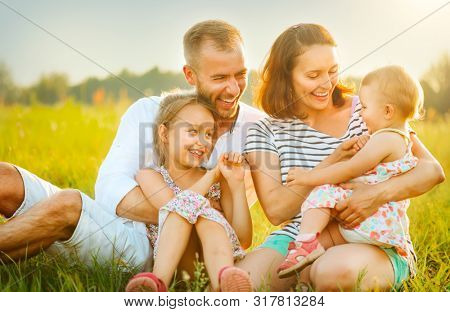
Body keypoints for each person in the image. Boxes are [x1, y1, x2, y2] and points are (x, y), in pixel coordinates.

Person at [0, 20, 264, 270]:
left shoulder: (261, 129)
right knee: (5, 177)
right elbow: (111, 191)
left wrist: (186, 216)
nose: (233, 89)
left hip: (149, 251)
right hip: (117, 225)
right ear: (190, 75)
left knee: (69, 203)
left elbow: (247, 229)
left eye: (240, 74)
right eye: (219, 78)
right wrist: (198, 212)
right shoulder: (149, 111)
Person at [238, 23, 445, 291]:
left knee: (332, 272)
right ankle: (306, 273)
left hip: (369, 237)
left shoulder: (369, 108)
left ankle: (319, 277)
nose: (327, 84)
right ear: (285, 76)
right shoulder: (263, 131)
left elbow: (431, 170)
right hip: (301, 239)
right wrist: (333, 160)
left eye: (333, 71)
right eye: (313, 75)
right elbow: (278, 210)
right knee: (241, 284)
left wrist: (377, 194)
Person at [277, 65, 424, 282]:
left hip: (372, 222)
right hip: (374, 224)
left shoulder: (386, 139)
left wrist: (308, 177)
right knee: (308, 271)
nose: (360, 113)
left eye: (364, 107)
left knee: (323, 191)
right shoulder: (391, 138)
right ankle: (306, 269)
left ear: (387, 111)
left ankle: (306, 242)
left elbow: (350, 168)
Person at [125, 90, 252, 292]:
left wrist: (236, 186)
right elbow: (177, 207)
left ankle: (224, 283)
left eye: (209, 134)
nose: (202, 142)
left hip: (215, 264)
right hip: (177, 267)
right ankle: (157, 283)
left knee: (207, 217)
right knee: (188, 210)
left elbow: (244, 240)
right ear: (164, 134)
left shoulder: (221, 180)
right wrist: (210, 179)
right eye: (192, 132)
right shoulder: (149, 176)